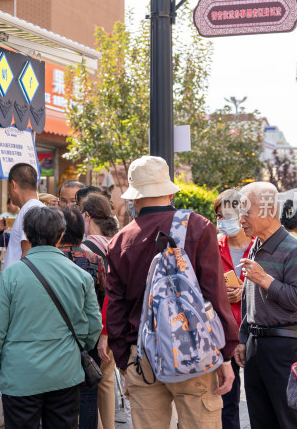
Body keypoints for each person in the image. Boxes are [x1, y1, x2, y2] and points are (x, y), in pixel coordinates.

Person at [105, 156, 237, 428]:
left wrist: (124, 363)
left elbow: (115, 308)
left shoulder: (119, 241)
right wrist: (225, 355)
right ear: (168, 190)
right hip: (193, 351)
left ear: (135, 198)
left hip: (141, 356)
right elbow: (215, 296)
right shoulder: (198, 227)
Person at [0, 206, 102, 428]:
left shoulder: (11, 275)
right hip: (65, 371)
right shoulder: (80, 276)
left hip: (20, 374)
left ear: (26, 235)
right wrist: (75, 346)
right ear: (60, 235)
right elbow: (94, 325)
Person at [235, 182, 297, 429]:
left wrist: (265, 280)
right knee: (261, 421)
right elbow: (250, 299)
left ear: (268, 210)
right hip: (256, 348)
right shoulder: (255, 247)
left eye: (246, 212)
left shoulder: (296, 250)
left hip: (288, 348)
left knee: (294, 422)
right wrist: (243, 338)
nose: (241, 220)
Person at [57, 207, 106, 429]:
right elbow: (103, 297)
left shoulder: (51, 261)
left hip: (55, 338)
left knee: (57, 398)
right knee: (88, 396)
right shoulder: (95, 260)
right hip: (87, 338)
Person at [214, 189, 254, 429]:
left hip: (254, 335)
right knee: (225, 404)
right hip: (222, 334)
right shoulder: (212, 246)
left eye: (227, 215)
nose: (222, 222)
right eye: (218, 216)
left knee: (260, 404)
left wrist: (246, 292)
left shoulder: (261, 246)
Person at [79, 192, 119, 429]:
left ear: (86, 216)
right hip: (114, 321)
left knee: (91, 379)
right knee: (106, 382)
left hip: (95, 324)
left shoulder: (86, 248)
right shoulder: (116, 240)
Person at [3, 163, 45, 268]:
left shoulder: (31, 210)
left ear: (13, 185)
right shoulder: (35, 208)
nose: (9, 193)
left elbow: (28, 255)